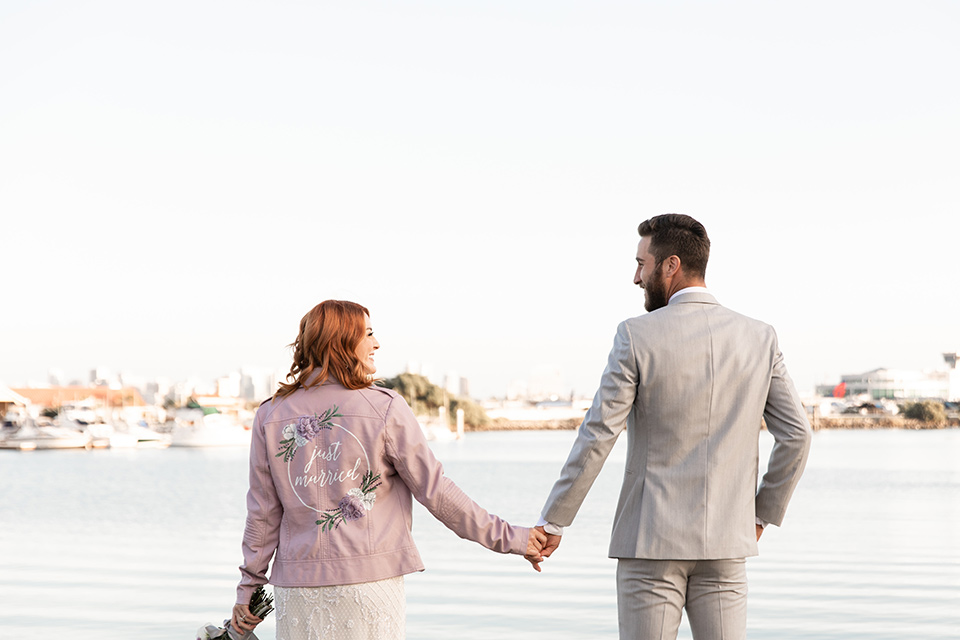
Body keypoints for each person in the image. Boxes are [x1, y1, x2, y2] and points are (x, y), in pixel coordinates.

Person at [535, 214, 812, 640]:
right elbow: (797, 435)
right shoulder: (760, 337)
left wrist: (554, 522)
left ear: (670, 265)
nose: (635, 277)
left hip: (650, 544)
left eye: (641, 264)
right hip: (727, 541)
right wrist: (760, 514)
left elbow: (598, 436)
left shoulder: (635, 335)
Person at [231, 300, 546, 640]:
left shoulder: (270, 415)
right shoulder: (384, 407)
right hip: (370, 586)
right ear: (342, 341)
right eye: (367, 334)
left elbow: (262, 514)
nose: (376, 343)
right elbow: (436, 492)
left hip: (298, 588)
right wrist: (513, 538)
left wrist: (249, 587)